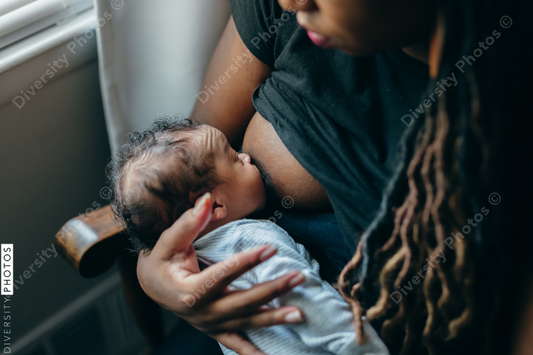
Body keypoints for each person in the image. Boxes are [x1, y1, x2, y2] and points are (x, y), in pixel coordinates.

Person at [135, 0, 533, 354]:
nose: (289, 1)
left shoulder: (505, 98)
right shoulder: (282, 12)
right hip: (234, 323)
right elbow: (184, 168)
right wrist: (153, 275)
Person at [109, 118, 389, 355]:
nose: (246, 156)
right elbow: (317, 312)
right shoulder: (252, 242)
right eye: (235, 158)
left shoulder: (198, 258)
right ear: (215, 207)